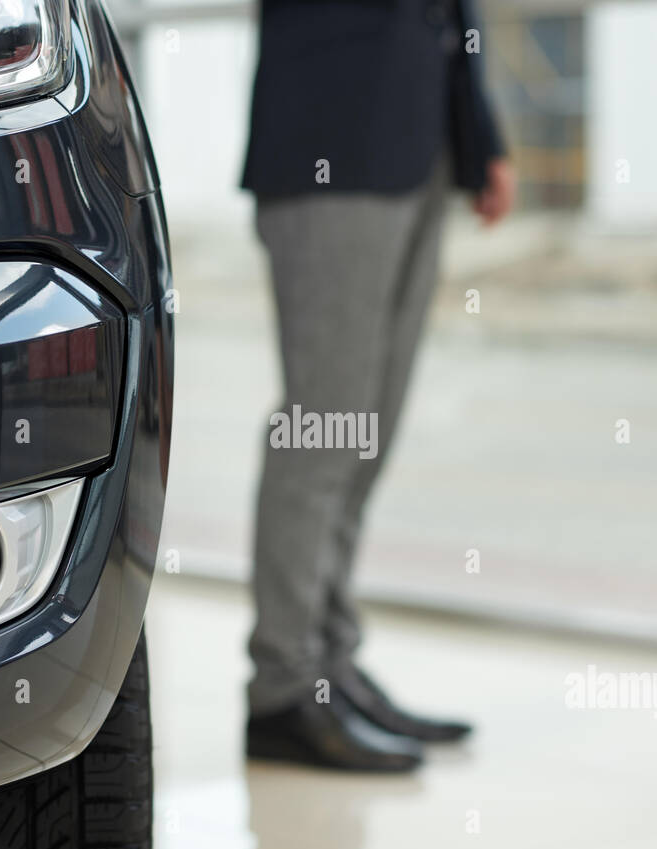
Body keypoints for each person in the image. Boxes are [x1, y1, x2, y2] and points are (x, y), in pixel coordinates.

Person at [240, 0, 516, 772]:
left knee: (369, 426)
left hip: (421, 132)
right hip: (331, 128)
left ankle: (330, 667)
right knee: (324, 427)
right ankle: (283, 686)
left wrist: (479, 134)